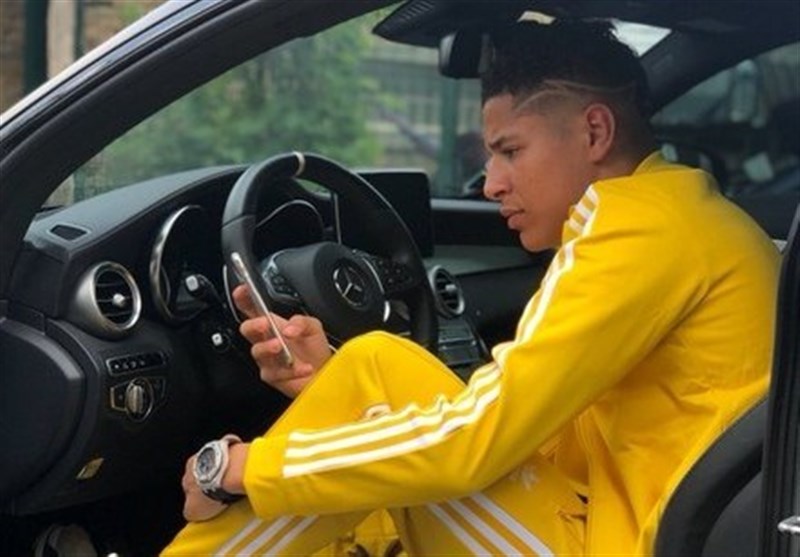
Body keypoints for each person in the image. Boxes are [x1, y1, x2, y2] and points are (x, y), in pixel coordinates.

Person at [163, 18, 780, 555]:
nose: (490, 184)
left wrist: (238, 469)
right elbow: (538, 442)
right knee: (372, 370)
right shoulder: (682, 218)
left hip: (621, 541)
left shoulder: (636, 227)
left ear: (595, 132)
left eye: (510, 150)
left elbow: (477, 441)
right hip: (624, 522)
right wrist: (332, 387)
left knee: (375, 371)